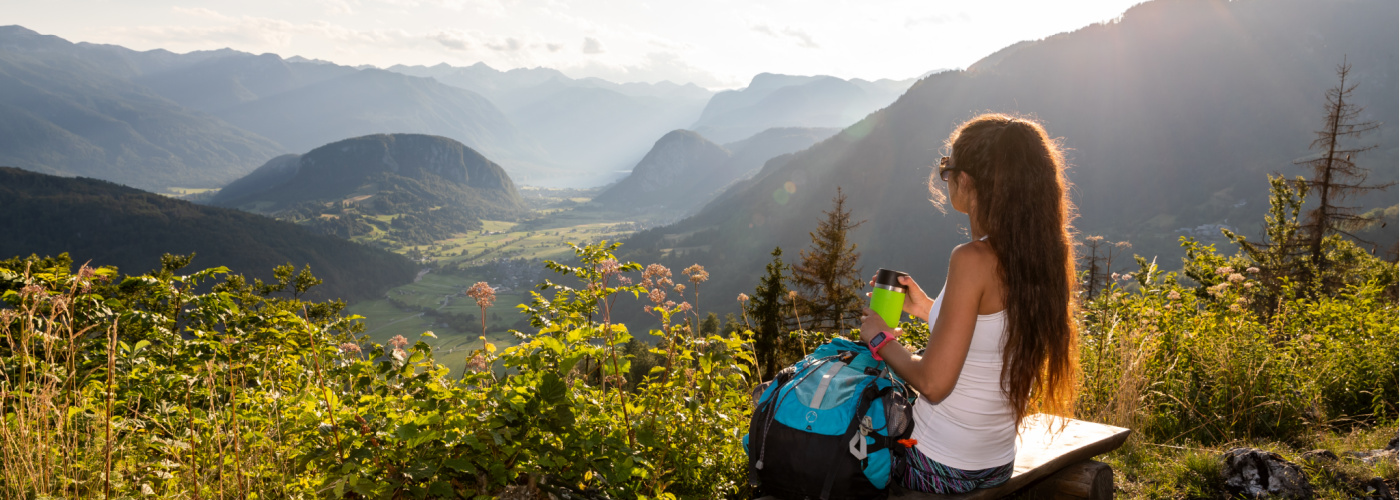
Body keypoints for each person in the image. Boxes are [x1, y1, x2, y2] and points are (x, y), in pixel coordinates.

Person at [857, 113, 1079, 494]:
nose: (945, 177)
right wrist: (927, 307)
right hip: (996, 464)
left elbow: (933, 384)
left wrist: (879, 337)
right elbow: (988, 336)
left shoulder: (972, 259)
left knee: (836, 436)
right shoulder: (1036, 255)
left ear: (966, 181)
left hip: (937, 465)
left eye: (948, 168)